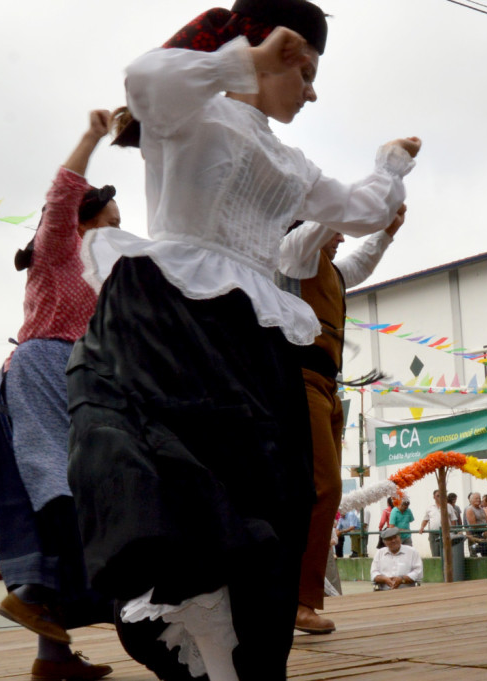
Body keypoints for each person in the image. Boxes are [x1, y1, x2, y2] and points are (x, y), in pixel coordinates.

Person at [67, 4, 422, 677]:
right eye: (306, 72)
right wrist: (248, 59)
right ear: (278, 52)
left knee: (271, 503)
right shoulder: (192, 114)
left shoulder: (292, 162)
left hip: (252, 339)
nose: (312, 90)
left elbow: (363, 207)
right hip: (171, 316)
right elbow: (145, 80)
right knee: (182, 476)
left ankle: (227, 641)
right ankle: (189, 598)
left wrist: (391, 163)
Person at [0, 111, 119, 681]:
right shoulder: (57, 251)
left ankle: (53, 656)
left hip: (73, 378)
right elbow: (62, 193)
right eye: (110, 222)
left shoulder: (104, 278)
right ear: (82, 226)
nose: (119, 230)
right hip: (41, 370)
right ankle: (38, 593)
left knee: (68, 488)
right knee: (61, 490)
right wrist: (91, 136)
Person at [277, 209, 406, 635]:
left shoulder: (329, 270)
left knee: (316, 492)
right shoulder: (295, 254)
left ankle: (290, 598)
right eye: (335, 233)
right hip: (298, 383)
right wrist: (358, 204)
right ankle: (299, 602)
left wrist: (386, 231)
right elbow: (327, 223)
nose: (341, 241)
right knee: (325, 487)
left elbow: (361, 262)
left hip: (327, 390)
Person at [419, 490, 448, 558]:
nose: (440, 497)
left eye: (441, 495)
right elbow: (425, 520)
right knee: (435, 555)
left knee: (446, 555)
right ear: (434, 497)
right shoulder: (430, 508)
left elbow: (453, 520)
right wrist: (422, 527)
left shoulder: (448, 507)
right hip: (433, 535)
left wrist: (453, 530)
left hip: (445, 534)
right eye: (438, 496)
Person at [465, 492, 487, 557]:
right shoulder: (470, 509)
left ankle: (486, 566)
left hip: (484, 531)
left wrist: (486, 530)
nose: (478, 500)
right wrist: (485, 527)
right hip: (475, 532)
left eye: (479, 498)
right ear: (471, 500)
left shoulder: (481, 509)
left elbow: (486, 520)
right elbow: (473, 525)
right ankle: (474, 548)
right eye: (476, 498)